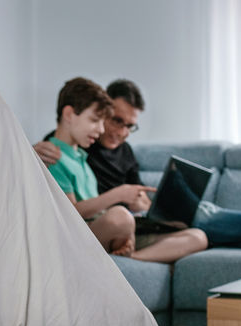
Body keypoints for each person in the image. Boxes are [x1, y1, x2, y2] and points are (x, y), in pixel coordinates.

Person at [36, 78, 241, 255]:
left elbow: (138, 194)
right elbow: (46, 165)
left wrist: (141, 200)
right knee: (202, 214)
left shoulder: (119, 151)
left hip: (137, 216)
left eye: (129, 126)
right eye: (112, 120)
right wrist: (31, 150)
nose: (113, 131)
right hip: (112, 221)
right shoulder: (66, 150)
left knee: (196, 220)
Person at [44, 77, 208, 263]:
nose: (100, 129)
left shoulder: (82, 156)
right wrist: (118, 196)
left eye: (129, 126)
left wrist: (131, 224)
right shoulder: (53, 155)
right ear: (69, 114)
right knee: (120, 216)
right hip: (86, 233)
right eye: (96, 120)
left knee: (198, 235)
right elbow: (70, 213)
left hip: (122, 224)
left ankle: (132, 256)